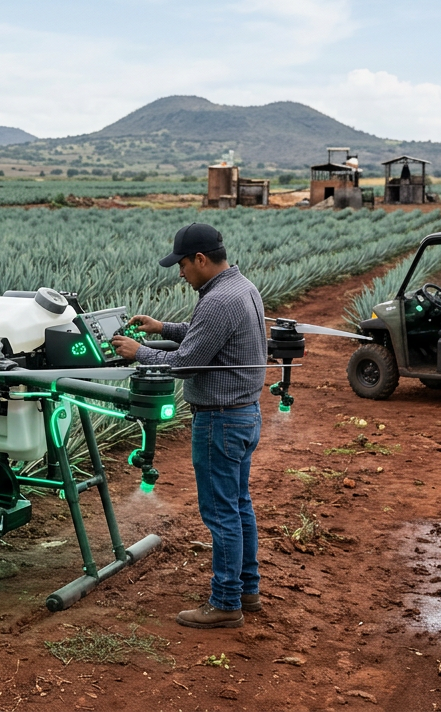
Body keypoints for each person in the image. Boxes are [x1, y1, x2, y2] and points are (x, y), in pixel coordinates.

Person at [109, 222, 268, 629]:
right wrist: (162, 328)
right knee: (238, 505)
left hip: (220, 419)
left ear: (200, 259)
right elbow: (206, 337)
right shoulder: (241, 288)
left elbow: (187, 363)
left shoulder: (218, 300)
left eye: (181, 265)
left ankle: (225, 602)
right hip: (244, 414)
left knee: (220, 513)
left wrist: (139, 352)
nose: (179, 273)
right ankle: (247, 590)